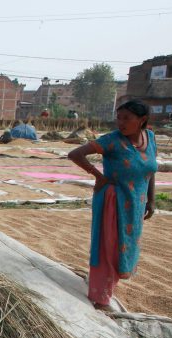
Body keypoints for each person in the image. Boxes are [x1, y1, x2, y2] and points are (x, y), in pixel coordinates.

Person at [67, 100, 157, 311]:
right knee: (108, 247)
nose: (121, 123)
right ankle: (101, 298)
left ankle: (109, 286)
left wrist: (151, 199)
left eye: (127, 118)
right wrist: (98, 176)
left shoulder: (150, 138)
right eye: (119, 117)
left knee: (126, 244)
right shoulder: (112, 141)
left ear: (142, 120)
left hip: (135, 201)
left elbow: (152, 170)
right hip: (113, 200)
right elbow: (75, 154)